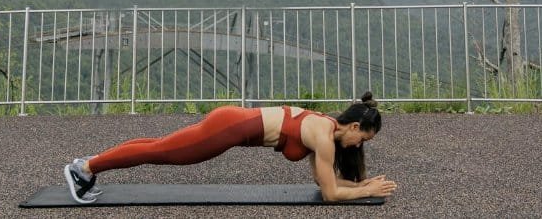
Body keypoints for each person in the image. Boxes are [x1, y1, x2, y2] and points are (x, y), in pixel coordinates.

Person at [63, 91, 398, 204]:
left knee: (158, 146)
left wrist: (359, 185)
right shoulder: (324, 138)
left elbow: (323, 183)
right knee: (162, 152)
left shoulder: (323, 128)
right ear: (354, 127)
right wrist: (363, 191)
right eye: (363, 139)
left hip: (231, 121)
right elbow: (328, 194)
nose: (359, 146)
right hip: (230, 128)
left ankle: (89, 163)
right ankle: (85, 169)